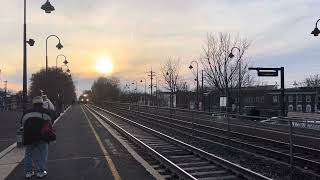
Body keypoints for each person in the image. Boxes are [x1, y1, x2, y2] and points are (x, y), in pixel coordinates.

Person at [22, 96, 55, 178]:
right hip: (42, 136)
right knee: (43, 154)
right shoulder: (46, 112)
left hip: (29, 136)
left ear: (33, 103)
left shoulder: (27, 112)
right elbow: (51, 122)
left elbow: (23, 123)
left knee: (28, 154)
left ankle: (29, 172)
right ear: (42, 103)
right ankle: (41, 172)